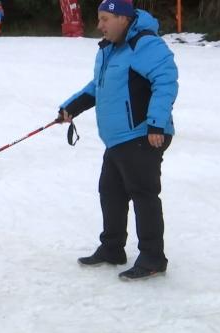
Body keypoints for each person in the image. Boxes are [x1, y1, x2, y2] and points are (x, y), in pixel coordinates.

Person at [57, 0, 178, 281]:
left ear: (123, 18)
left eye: (105, 19)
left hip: (144, 134)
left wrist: (156, 123)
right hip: (118, 138)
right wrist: (71, 107)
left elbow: (166, 81)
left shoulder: (145, 44)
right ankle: (112, 248)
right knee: (110, 191)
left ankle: (152, 258)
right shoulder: (109, 49)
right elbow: (97, 87)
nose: (99, 25)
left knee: (143, 194)